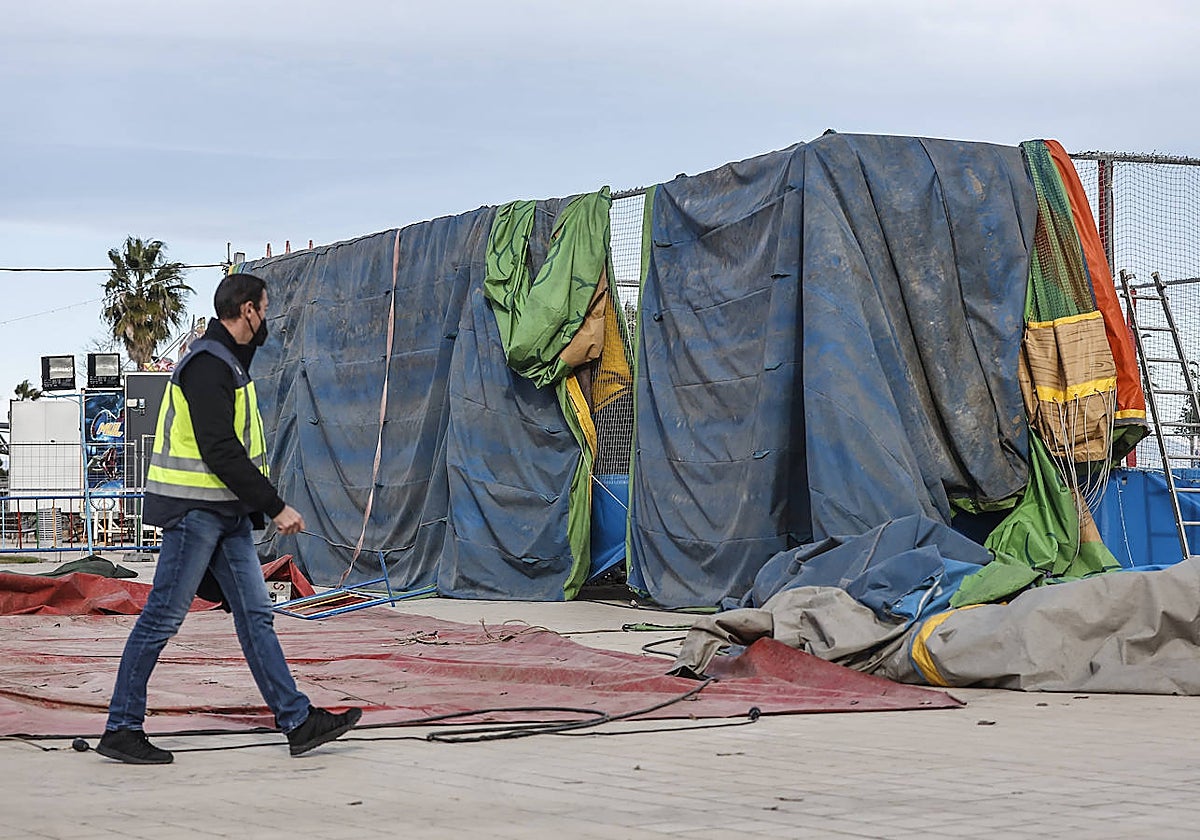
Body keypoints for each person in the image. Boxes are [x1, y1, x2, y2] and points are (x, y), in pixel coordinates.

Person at [99, 272, 361, 764]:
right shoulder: (206, 364)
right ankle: (121, 727)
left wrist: (254, 505)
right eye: (265, 308)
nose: (267, 319)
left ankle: (298, 721)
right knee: (162, 617)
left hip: (227, 515)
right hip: (196, 514)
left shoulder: (230, 365)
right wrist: (275, 505)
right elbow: (218, 448)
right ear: (248, 312)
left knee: (256, 616)